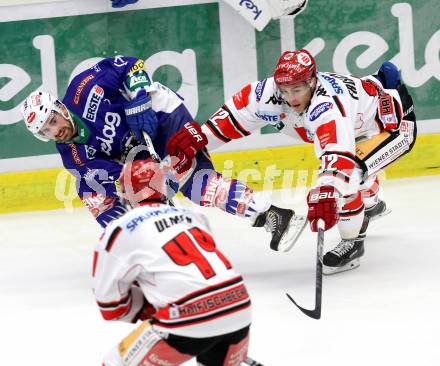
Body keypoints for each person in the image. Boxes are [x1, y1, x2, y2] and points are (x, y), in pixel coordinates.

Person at [21, 56, 306, 251]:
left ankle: (272, 214)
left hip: (162, 114)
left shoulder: (84, 88)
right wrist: (139, 191)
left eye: (53, 121)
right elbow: (116, 180)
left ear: (60, 108)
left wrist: (140, 95)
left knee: (195, 184)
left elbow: (128, 64)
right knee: (94, 195)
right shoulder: (74, 156)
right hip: (141, 151)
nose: (55, 131)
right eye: (46, 131)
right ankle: (134, 242)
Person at [172, 49, 415, 274]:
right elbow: (233, 118)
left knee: (349, 176)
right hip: (359, 125)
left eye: (297, 90)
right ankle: (371, 204)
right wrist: (199, 139)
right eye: (285, 90)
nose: (290, 98)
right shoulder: (266, 93)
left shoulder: (328, 106)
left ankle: (353, 245)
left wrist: (328, 191)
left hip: (392, 126)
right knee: (350, 175)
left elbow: (338, 157)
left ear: (312, 81)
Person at [93, 158, 252, 366]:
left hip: (187, 316)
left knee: (114, 362)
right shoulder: (194, 217)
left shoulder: (119, 229)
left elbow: (110, 304)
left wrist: (149, 308)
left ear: (127, 192)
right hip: (238, 305)